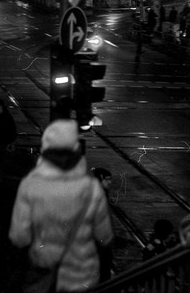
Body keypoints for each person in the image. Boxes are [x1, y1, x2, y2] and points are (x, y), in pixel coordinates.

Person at [9, 119, 114, 292]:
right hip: (81, 277)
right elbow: (104, 237)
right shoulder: (91, 187)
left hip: (45, 273)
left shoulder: (30, 185)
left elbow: (19, 237)